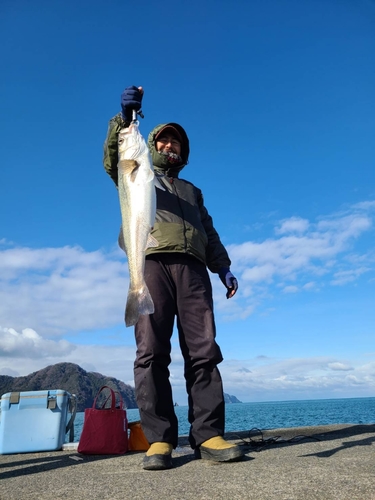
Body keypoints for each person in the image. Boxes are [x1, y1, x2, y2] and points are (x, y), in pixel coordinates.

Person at [103, 85, 244, 470]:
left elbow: (209, 232)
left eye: (176, 142)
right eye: (163, 140)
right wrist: (126, 119)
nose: (170, 146)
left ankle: (209, 435)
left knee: (204, 352)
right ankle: (160, 440)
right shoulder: (136, 173)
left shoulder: (192, 191)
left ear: (183, 151)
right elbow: (116, 157)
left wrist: (224, 266)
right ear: (151, 145)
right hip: (150, 265)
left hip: (195, 270)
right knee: (150, 353)